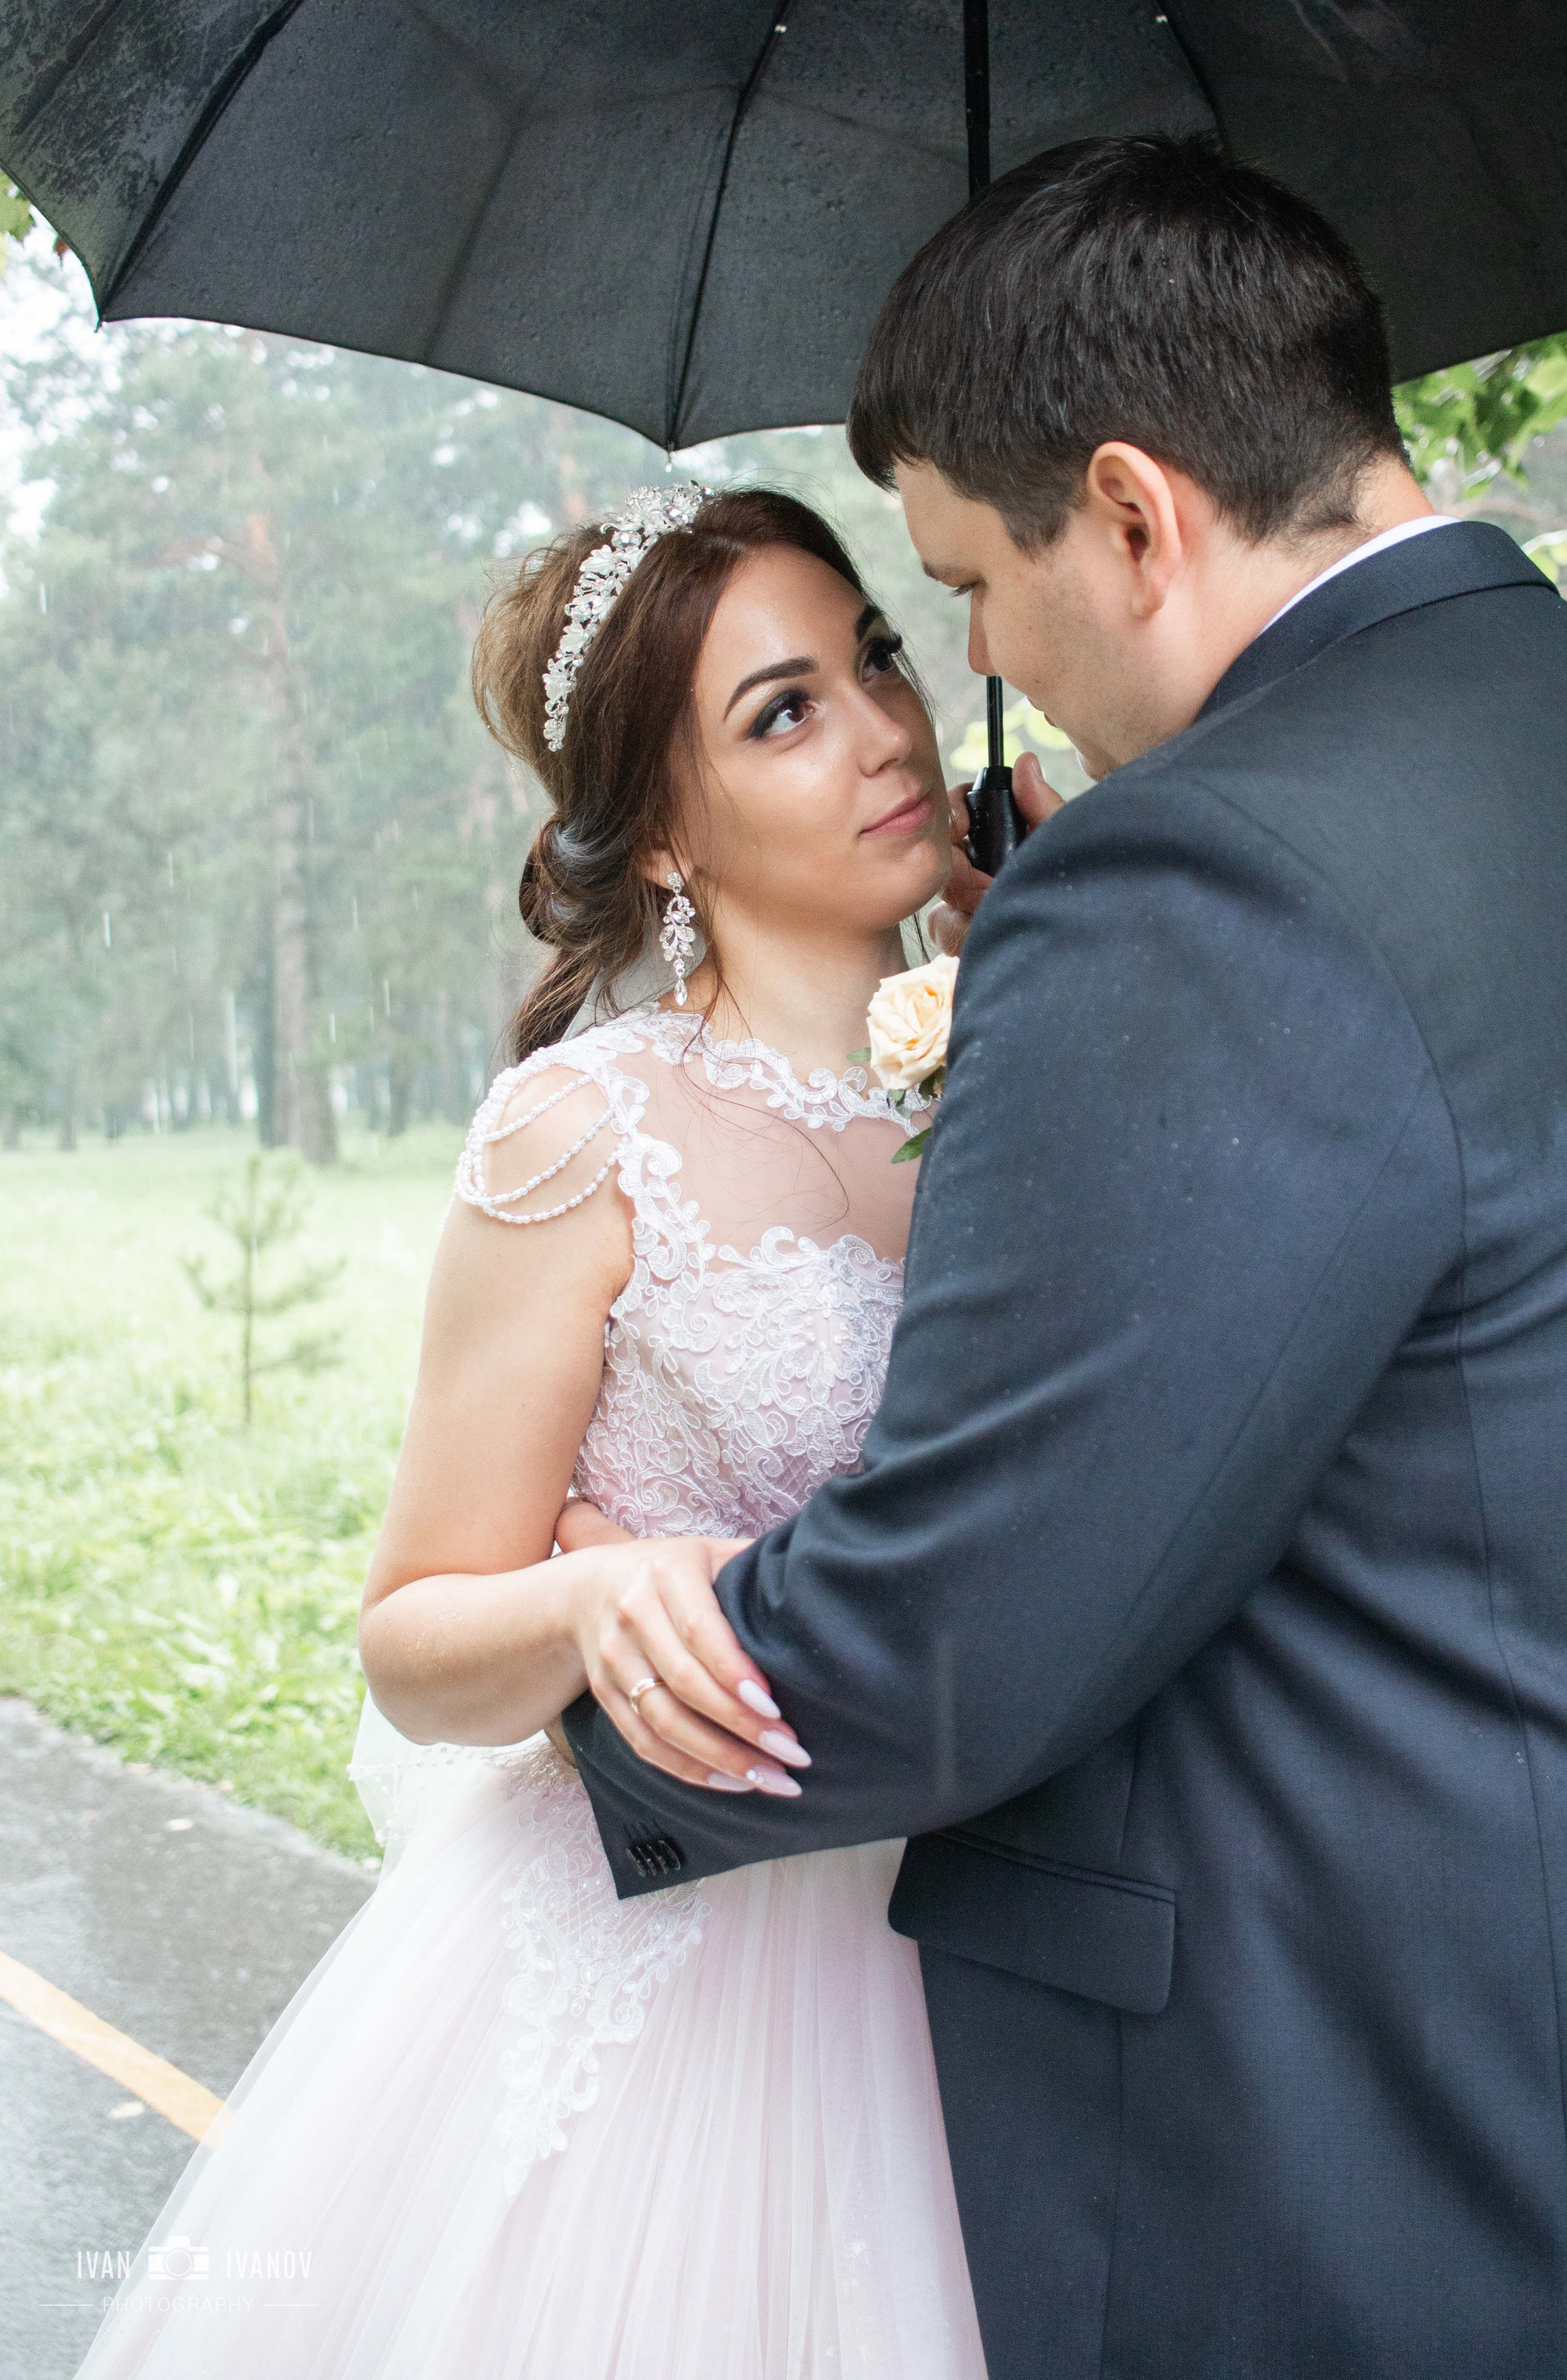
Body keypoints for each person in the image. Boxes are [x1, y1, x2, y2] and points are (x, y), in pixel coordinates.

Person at [556, 137, 1567, 2379]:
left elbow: (968, 1622)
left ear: (1130, 512)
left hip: (1348, 2141)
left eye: (969, 589)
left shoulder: (1202, 881)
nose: (980, 674)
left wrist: (578, 1695)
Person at [74, 486, 987, 2380]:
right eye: (783, 710)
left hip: (986, 1928)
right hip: (678, 1967)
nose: (886, 728)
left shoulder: (1020, 1054)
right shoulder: (585, 1134)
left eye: (876, 656)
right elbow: (413, 1634)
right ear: (662, 829)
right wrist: (605, 1601)